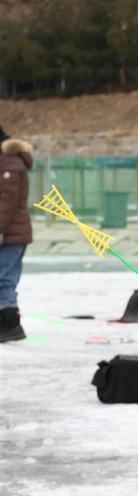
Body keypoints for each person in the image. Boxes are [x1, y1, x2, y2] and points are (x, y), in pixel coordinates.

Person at [0, 126, 33, 343]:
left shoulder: (10, 163)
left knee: (4, 280)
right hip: (7, 231)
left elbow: (7, 202)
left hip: (11, 234)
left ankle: (10, 325)